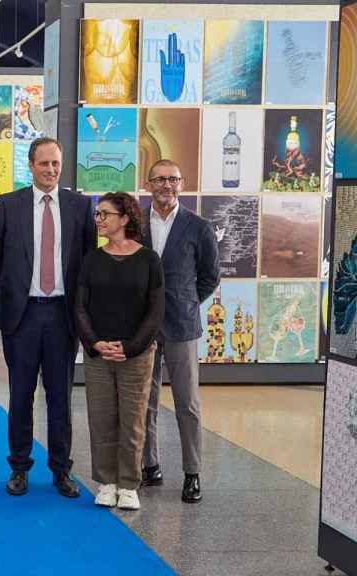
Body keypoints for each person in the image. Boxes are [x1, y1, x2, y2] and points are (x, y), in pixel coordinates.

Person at [0, 137, 95, 499]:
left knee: (60, 397)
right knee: (20, 395)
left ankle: (61, 470)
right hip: (22, 316)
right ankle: (19, 467)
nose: (51, 170)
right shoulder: (8, 206)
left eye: (56, 164)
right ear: (30, 165)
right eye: (44, 163)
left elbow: (88, 261)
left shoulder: (79, 207)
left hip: (63, 316)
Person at [75, 192, 165, 511]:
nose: (98, 219)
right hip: (98, 354)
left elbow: (155, 312)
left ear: (125, 219)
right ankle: (106, 482)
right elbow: (80, 307)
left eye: (105, 214)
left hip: (136, 355)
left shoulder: (149, 260)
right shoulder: (92, 259)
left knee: (133, 419)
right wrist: (95, 343)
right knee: (101, 419)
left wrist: (129, 347)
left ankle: (128, 483)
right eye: (97, 214)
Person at [140, 159, 220, 503]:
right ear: (148, 184)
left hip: (182, 326)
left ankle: (192, 472)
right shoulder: (135, 223)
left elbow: (209, 276)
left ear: (181, 183)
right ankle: (149, 466)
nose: (166, 185)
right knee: (145, 401)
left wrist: (186, 302)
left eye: (173, 179)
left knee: (187, 403)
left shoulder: (198, 226)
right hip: (141, 326)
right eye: (159, 179)